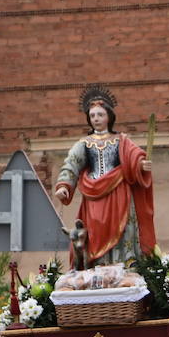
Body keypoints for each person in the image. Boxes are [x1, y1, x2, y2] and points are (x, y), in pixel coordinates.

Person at [53, 85, 156, 264]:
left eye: (100, 115)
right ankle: (98, 266)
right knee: (93, 231)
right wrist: (64, 185)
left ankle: (124, 264)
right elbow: (71, 165)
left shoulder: (121, 140)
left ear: (109, 116)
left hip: (119, 192)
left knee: (123, 228)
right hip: (93, 197)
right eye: (92, 116)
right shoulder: (84, 143)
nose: (96, 119)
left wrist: (140, 164)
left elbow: (133, 157)